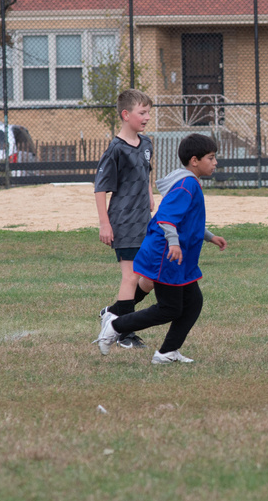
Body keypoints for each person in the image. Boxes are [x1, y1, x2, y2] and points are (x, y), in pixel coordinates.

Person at [95, 133, 227, 364]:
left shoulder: (189, 182)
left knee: (193, 302)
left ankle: (167, 352)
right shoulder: (187, 184)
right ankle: (115, 325)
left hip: (178, 258)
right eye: (211, 157)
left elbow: (187, 220)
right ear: (194, 160)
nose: (215, 162)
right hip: (166, 255)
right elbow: (166, 219)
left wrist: (210, 237)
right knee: (169, 309)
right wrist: (174, 244)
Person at [94, 89, 157, 349]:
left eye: (148, 113)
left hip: (145, 220)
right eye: (142, 113)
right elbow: (100, 187)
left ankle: (114, 311)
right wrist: (104, 223)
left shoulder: (147, 144)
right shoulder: (115, 149)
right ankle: (125, 333)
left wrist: (150, 195)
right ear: (126, 114)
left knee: (150, 278)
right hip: (124, 221)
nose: (147, 117)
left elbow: (147, 174)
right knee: (130, 276)